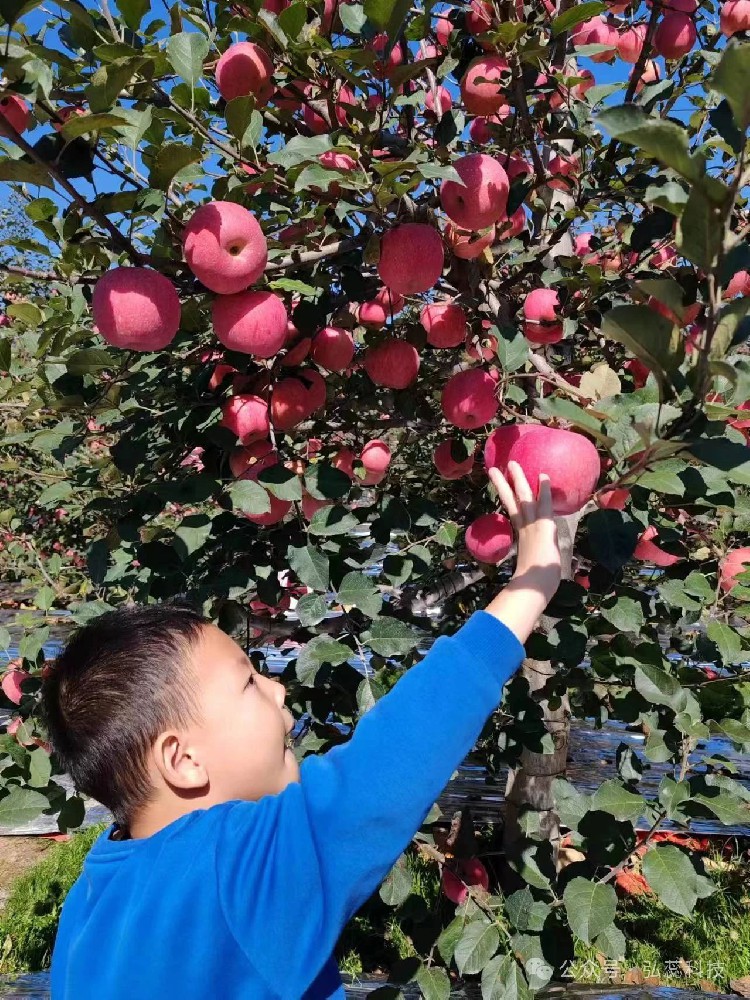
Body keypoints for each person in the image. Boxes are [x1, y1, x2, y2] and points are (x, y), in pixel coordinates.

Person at [40, 461, 561, 999]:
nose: (278, 690)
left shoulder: (91, 899)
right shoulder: (236, 866)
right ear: (183, 760)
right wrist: (532, 583)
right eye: (249, 682)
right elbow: (390, 763)